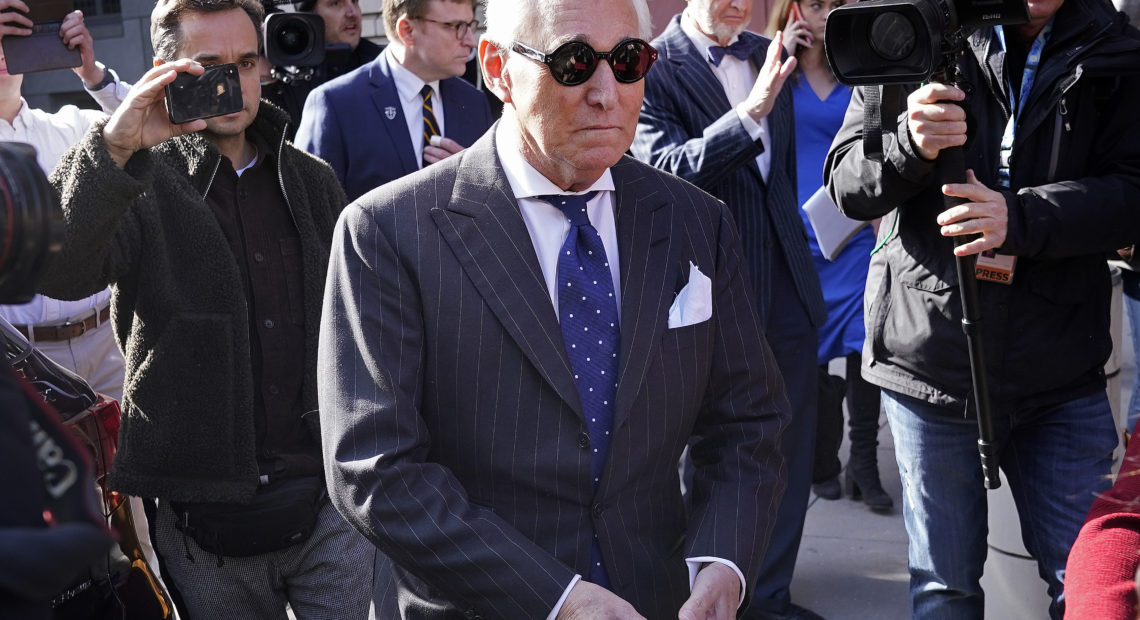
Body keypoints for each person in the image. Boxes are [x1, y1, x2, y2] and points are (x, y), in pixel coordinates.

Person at [318, 0, 792, 616]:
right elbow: (374, 467)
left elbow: (748, 421)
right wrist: (557, 600)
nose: (606, 92)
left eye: (628, 61)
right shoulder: (387, 231)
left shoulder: (696, 222)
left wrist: (723, 564)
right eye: (573, 62)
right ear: (495, 67)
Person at [38, 0, 373, 617]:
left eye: (247, 62)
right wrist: (116, 146)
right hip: (206, 523)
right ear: (168, 71)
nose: (234, 82)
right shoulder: (137, 179)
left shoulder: (312, 180)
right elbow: (59, 268)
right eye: (210, 65)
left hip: (327, 504)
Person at [824, 0, 1140, 616]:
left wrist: (1019, 218)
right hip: (929, 367)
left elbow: (1132, 193)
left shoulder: (1114, 48)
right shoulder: (913, 31)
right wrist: (908, 147)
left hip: (1059, 376)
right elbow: (847, 184)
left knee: (1091, 588)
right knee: (944, 590)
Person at [630, 1, 827, 618]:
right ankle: (705, 597)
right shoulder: (653, 65)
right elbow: (663, 171)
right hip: (701, 291)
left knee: (787, 449)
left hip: (789, 287)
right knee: (714, 452)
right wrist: (750, 114)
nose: (742, 4)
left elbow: (778, 182)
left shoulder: (770, 54)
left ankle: (768, 595)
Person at [763, 0, 891, 513]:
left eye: (834, 6)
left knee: (866, 347)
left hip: (852, 230)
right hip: (794, 238)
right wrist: (781, 62)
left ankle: (863, 461)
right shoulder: (774, 71)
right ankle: (820, 458)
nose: (823, 16)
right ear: (791, 9)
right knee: (806, 353)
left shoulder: (858, 67)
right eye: (814, 4)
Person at [0, 1, 129, 402]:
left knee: (136, 463)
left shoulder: (74, 125)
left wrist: (92, 73)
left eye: (9, 37)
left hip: (112, 342)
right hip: (23, 358)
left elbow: (158, 132)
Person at [295, 0, 493, 202]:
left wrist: (473, 179)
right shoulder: (335, 103)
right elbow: (311, 212)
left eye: (470, 26)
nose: (471, 41)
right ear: (407, 30)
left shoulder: (475, 103)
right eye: (456, 27)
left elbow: (495, 204)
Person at [260, 0, 383, 133]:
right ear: (310, 14)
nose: (352, 12)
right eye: (336, 3)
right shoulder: (283, 67)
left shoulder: (381, 65)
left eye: (354, 2)